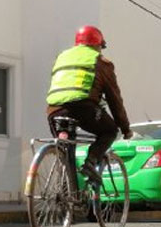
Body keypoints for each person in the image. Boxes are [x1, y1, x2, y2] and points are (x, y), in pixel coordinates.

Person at [46, 25, 133, 184]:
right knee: (109, 130)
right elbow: (114, 99)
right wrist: (125, 128)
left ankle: (68, 197)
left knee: (66, 153)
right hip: (82, 106)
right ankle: (90, 163)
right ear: (97, 44)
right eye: (101, 47)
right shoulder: (100, 61)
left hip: (54, 109)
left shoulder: (62, 57)